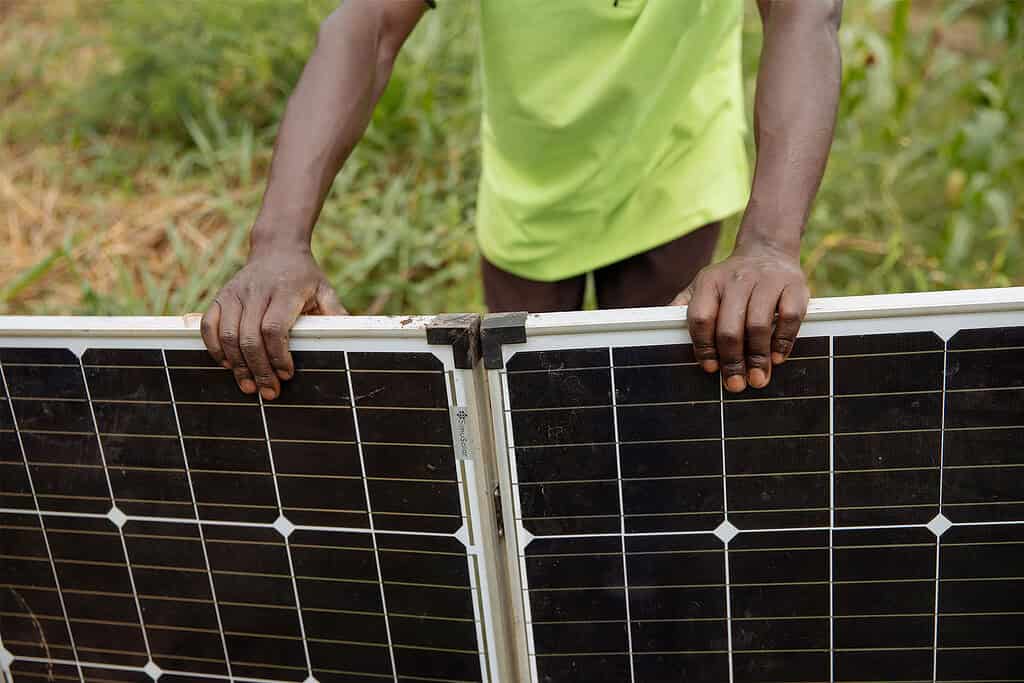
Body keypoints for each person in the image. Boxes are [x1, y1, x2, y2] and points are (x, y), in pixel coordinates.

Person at [201, 0, 842, 399]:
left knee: (662, 407)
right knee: (535, 411)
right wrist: (279, 239)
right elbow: (367, 24)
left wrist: (767, 243)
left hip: (674, 169)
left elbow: (804, 13)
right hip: (531, 189)